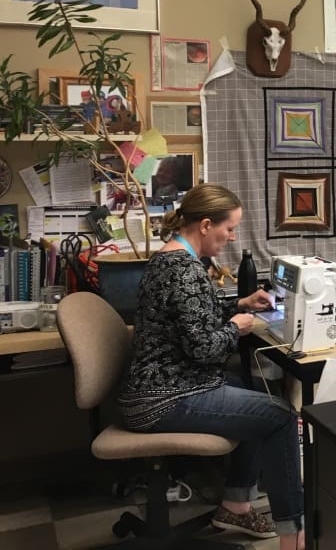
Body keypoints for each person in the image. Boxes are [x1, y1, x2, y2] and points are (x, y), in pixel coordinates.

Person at [117, 184, 304, 549]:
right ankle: (293, 535)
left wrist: (240, 304)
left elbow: (191, 317)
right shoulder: (184, 270)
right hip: (163, 399)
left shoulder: (170, 258)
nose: (231, 237)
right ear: (205, 225)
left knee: (255, 389)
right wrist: (236, 326)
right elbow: (204, 349)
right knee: (280, 417)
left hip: (153, 387)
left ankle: (235, 504)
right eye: (229, 228)